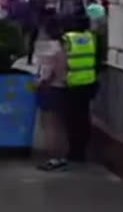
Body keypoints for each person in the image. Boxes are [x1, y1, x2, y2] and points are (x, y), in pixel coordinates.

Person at [61, 14, 99, 164]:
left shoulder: (68, 39)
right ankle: (82, 151)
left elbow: (63, 60)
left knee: (72, 120)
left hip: (72, 84)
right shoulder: (91, 38)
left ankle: (74, 152)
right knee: (84, 118)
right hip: (89, 83)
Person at [34, 16, 69, 171]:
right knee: (59, 125)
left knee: (49, 125)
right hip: (62, 87)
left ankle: (53, 157)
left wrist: (40, 84)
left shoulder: (50, 50)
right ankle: (61, 156)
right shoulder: (63, 47)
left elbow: (47, 73)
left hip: (50, 89)